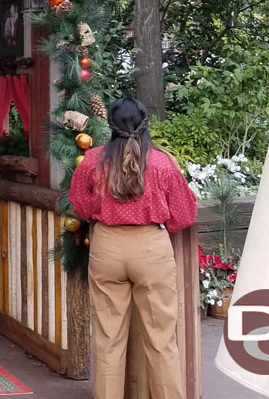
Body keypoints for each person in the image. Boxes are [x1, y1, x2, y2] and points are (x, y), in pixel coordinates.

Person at [68, 98, 198, 399]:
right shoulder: (162, 162)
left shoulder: (93, 160)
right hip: (151, 249)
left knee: (108, 340)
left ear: (110, 126)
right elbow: (183, 215)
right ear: (145, 124)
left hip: (107, 247)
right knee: (161, 340)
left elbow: (81, 205)